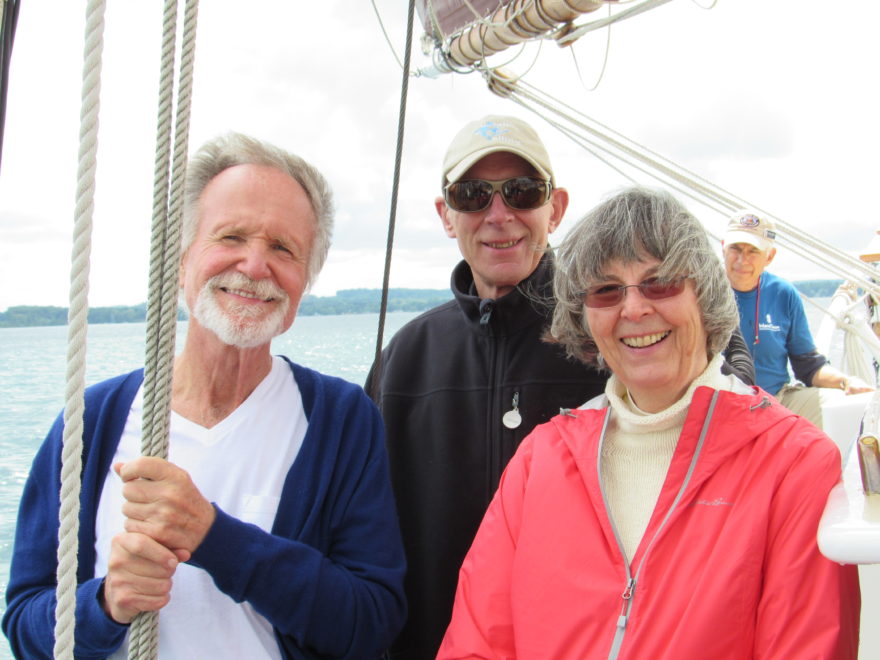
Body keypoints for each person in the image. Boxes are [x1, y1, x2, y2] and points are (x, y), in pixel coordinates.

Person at [2, 133, 406, 659]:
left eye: (283, 247)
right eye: (231, 236)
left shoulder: (341, 419)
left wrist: (216, 537)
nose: (255, 265)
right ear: (183, 255)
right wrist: (104, 603)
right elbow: (25, 626)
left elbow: (370, 624)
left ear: (306, 277)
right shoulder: (93, 421)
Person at [365, 115, 754, 659]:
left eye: (523, 192)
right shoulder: (405, 360)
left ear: (557, 207)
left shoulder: (616, 333)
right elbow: (363, 533)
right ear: (446, 215)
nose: (499, 215)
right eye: (473, 195)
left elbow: (718, 375)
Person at [437, 187, 861, 658]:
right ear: (585, 317)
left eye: (661, 282)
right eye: (606, 290)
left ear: (705, 294)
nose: (634, 309)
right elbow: (477, 643)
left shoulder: (795, 465)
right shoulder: (540, 460)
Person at [722, 209, 873, 428]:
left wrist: (846, 381)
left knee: (857, 405)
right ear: (723, 247)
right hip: (721, 407)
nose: (742, 259)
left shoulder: (784, 293)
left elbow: (808, 367)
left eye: (752, 251)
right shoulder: (703, 291)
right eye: (735, 249)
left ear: (769, 257)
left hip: (777, 401)